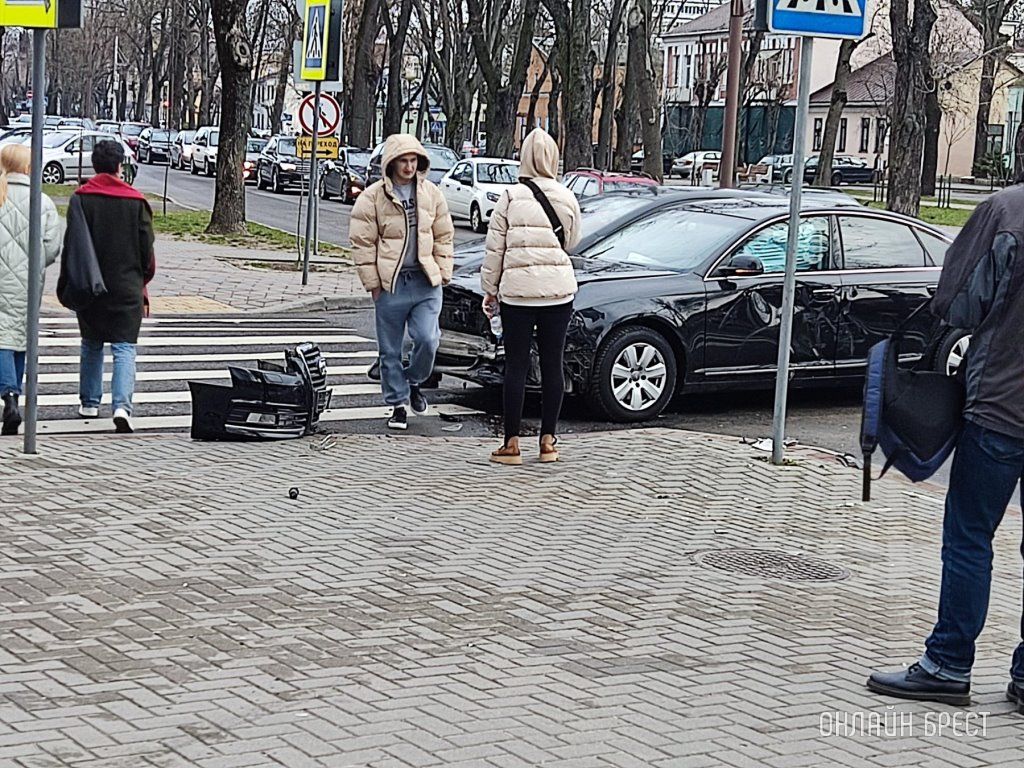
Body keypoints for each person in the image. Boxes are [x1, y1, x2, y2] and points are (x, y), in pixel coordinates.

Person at [866, 181, 1024, 710]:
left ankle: (948, 664)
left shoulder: (1007, 211)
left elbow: (958, 304)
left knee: (969, 537)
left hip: (1002, 407)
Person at [480, 128, 581, 465]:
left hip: (518, 293)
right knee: (554, 363)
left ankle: (511, 444)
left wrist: (489, 291)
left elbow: (495, 250)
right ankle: (548, 442)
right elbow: (572, 244)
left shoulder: (509, 197)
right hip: (557, 290)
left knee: (517, 366)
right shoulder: (566, 196)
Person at [350, 134, 454, 430]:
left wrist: (442, 271)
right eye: (403, 161)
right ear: (391, 163)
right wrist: (373, 283)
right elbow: (362, 242)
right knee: (390, 351)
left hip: (425, 281)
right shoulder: (372, 197)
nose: (409, 167)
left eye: (413, 161)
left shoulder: (432, 193)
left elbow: (444, 235)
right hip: (391, 284)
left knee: (428, 339)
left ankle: (414, 380)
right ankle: (397, 405)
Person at [58, 139, 155, 434]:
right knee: (125, 347)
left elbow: (72, 244)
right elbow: (146, 251)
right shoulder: (137, 202)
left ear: (95, 164)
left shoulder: (80, 199)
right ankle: (122, 406)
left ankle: (89, 402)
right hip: (127, 286)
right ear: (118, 165)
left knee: (91, 344)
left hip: (90, 285)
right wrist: (143, 281)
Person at [0, 144, 63, 435]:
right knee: (22, 336)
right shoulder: (43, 202)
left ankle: (8, 396)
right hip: (28, 281)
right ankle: (16, 396)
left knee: (1, 337)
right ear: (28, 168)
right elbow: (51, 248)